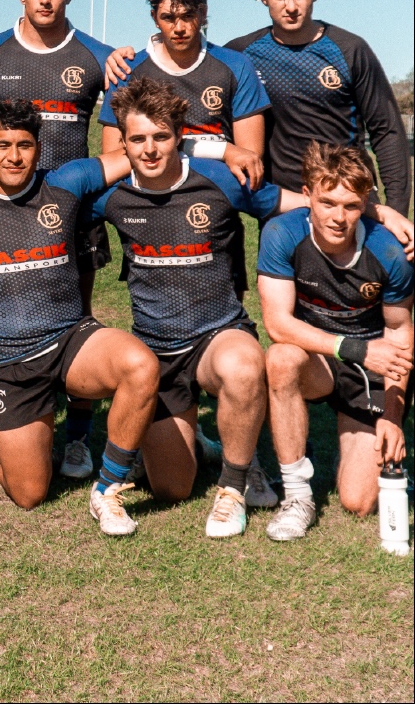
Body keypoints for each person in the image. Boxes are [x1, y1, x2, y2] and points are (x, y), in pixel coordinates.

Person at [91, 78, 323, 537]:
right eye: (138, 139)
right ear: (123, 143)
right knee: (172, 487)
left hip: (218, 334)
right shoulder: (109, 194)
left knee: (244, 367)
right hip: (156, 350)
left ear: (180, 136)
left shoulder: (217, 180)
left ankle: (233, 487)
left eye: (161, 136)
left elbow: (298, 205)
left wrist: (379, 214)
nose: (150, 149)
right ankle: (202, 438)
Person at [0, 100, 161, 535]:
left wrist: (223, 150)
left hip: (70, 340)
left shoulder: (65, 182)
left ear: (39, 148)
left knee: (140, 365)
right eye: (3, 145)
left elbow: (138, 152)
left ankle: (107, 487)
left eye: (25, 145)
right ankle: (21, 440)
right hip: (9, 360)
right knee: (28, 494)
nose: (14, 156)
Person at [0, 0, 114, 484]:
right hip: (1, 215)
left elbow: (122, 127)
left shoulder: (98, 56)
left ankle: (78, 440)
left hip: (73, 215)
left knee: (79, 320)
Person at [258, 142, 413, 542]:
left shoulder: (389, 252)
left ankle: (366, 450)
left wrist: (393, 417)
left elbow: (399, 334)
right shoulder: (281, 233)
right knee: (281, 358)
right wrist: (356, 349)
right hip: (321, 359)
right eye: (327, 203)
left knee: (358, 502)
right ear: (307, 195)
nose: (338, 217)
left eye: (351, 206)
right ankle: (297, 496)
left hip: (372, 370)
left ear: (366, 204)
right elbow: (278, 324)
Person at [225, 0, 410, 214]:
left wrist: (396, 208)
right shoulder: (241, 55)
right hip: (285, 204)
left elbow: (387, 131)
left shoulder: (349, 50)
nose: (291, 7)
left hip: (349, 199)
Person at [99, 0, 268, 180]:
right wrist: (221, 150)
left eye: (187, 16)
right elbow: (113, 157)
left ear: (203, 13)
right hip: (151, 193)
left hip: (216, 190)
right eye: (168, 18)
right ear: (154, 18)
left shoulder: (236, 66)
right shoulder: (126, 70)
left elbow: (249, 157)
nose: (179, 28)